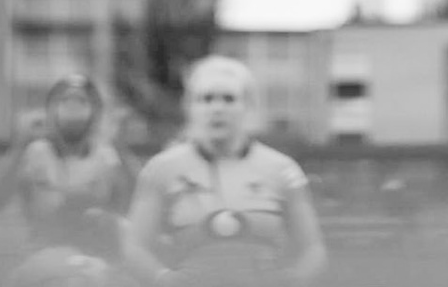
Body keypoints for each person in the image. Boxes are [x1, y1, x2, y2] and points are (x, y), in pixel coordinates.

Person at [123, 57, 326, 286]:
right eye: (206, 99)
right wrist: (165, 281)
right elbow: (135, 247)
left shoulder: (282, 169)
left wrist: (291, 282)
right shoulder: (160, 169)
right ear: (190, 107)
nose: (217, 108)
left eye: (229, 99)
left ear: (248, 105)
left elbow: (313, 249)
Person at [0, 76, 134, 285]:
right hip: (42, 257)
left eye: (81, 101)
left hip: (99, 260)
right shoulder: (34, 153)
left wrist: (122, 149)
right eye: (65, 101)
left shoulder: (108, 157)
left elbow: (135, 208)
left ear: (94, 112)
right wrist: (18, 147)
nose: (73, 107)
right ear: (51, 110)